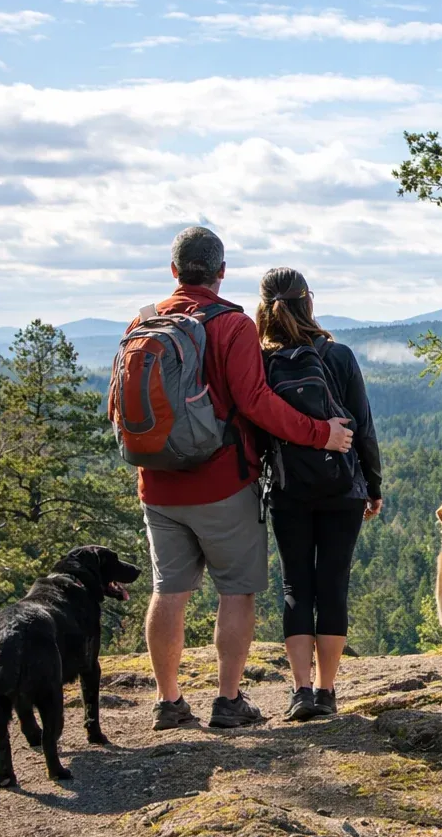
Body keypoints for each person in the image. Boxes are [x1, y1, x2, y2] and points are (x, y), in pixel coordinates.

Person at [134, 228, 354, 731]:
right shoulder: (231, 324)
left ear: (174, 271)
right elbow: (256, 403)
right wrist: (319, 434)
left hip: (157, 484)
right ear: (221, 271)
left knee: (168, 590)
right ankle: (227, 700)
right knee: (236, 590)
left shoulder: (144, 321)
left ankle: (169, 703)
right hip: (221, 481)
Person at [255, 267, 383, 722]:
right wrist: (373, 485)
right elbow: (363, 426)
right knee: (333, 584)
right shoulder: (339, 355)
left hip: (288, 489)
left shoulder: (261, 361)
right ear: (309, 301)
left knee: (296, 587)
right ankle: (328, 691)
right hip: (341, 487)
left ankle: (301, 691)